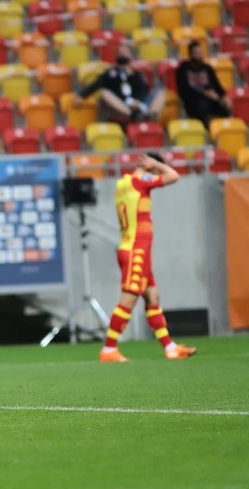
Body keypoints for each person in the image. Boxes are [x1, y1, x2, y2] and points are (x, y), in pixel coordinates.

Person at [100, 153, 197, 362]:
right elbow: (173, 176)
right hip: (137, 249)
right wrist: (158, 165)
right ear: (150, 168)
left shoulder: (122, 183)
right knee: (129, 297)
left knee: (152, 297)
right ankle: (109, 349)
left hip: (132, 246)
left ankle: (170, 347)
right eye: (154, 168)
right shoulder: (140, 181)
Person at [76, 43, 165, 126]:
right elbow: (95, 85)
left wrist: (137, 101)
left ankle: (150, 116)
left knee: (160, 91)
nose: (123, 53)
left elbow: (144, 89)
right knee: (104, 93)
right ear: (116, 54)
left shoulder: (136, 73)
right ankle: (130, 115)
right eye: (120, 52)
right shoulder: (110, 73)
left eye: (125, 52)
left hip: (138, 104)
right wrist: (81, 96)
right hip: (121, 104)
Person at [175, 40, 231, 128]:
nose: (198, 54)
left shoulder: (207, 68)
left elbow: (217, 85)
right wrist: (204, 93)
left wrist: (223, 96)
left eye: (200, 52)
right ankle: (206, 134)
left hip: (210, 99)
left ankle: (222, 131)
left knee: (224, 107)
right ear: (191, 53)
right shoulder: (183, 69)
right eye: (196, 52)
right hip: (193, 100)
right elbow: (183, 90)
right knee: (202, 107)